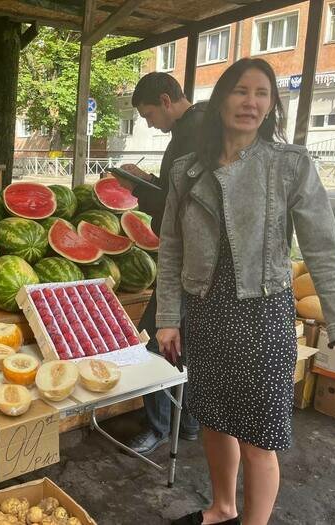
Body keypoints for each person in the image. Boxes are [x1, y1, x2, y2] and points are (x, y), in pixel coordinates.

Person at [155, 58, 335, 525]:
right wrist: (168, 316)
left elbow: (326, 251)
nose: (251, 102)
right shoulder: (188, 170)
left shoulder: (289, 165)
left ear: (271, 106)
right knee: (213, 418)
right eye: (241, 91)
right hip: (205, 310)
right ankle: (222, 507)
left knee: (259, 436)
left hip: (263, 315)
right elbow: (171, 248)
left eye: (262, 94)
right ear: (222, 98)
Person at [110, 72, 203, 455]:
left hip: (185, 259)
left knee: (150, 342)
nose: (149, 123)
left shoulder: (192, 133)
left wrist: (135, 189)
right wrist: (146, 178)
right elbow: (174, 192)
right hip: (197, 261)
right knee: (190, 342)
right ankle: (192, 423)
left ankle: (159, 426)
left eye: (149, 114)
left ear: (166, 100)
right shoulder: (198, 128)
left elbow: (175, 204)